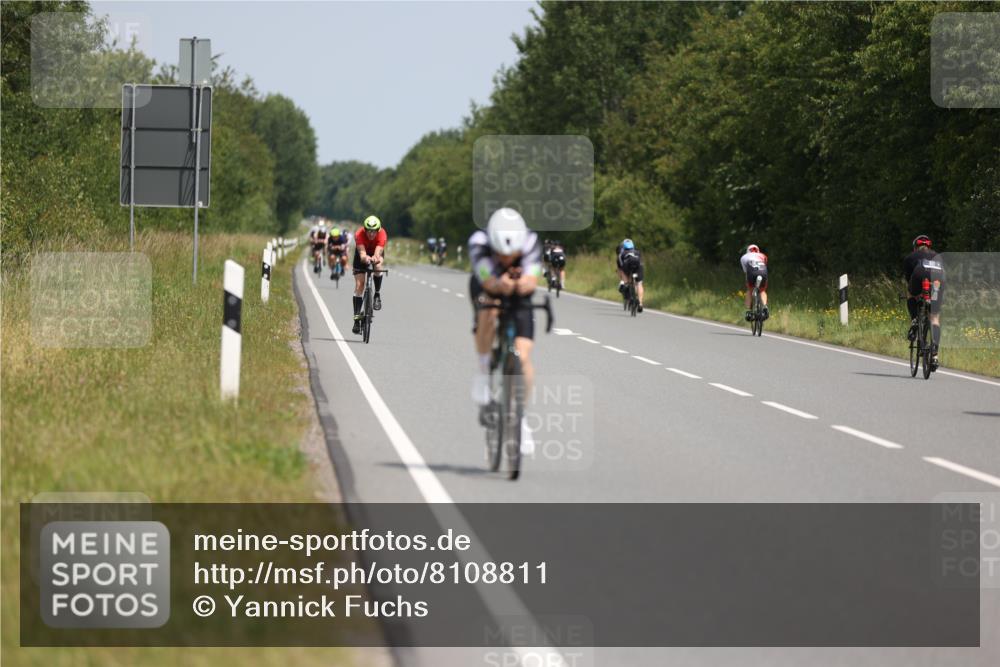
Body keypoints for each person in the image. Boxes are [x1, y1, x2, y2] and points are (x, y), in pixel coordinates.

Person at [468, 208, 543, 450]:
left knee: (523, 356)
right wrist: (501, 284)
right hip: (487, 286)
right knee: (487, 314)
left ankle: (520, 419)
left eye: (512, 255)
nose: (507, 259)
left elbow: (532, 279)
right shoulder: (478, 243)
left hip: (519, 292)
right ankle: (483, 371)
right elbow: (488, 280)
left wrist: (521, 284)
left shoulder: (530, 242)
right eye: (501, 255)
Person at [904, 234, 944, 368]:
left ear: (915, 247)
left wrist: (916, 293)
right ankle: (935, 356)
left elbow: (909, 279)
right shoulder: (938, 256)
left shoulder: (911, 257)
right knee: (935, 318)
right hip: (938, 278)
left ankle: (915, 318)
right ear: (929, 246)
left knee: (910, 293)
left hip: (919, 273)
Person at [352, 216, 387, 334]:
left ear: (378, 230)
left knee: (378, 266)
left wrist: (375, 258)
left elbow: (378, 252)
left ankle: (377, 294)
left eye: (374, 231)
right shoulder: (359, 234)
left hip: (375, 252)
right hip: (362, 255)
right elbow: (362, 253)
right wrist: (365, 258)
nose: (371, 234)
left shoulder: (382, 234)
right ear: (364, 229)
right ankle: (356, 319)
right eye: (369, 231)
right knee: (360, 285)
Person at [739, 244, 769, 321]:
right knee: (762, 290)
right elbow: (764, 267)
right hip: (763, 272)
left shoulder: (743, 257)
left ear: (747, 251)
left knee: (749, 290)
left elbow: (746, 272)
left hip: (752, 273)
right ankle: (765, 308)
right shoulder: (763, 255)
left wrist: (748, 284)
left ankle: (749, 311)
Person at [616, 238, 644, 312]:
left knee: (622, 272)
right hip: (638, 267)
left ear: (623, 247)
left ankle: (626, 284)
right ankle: (640, 303)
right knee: (639, 284)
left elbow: (620, 268)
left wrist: (623, 279)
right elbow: (641, 262)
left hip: (627, 267)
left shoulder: (621, 254)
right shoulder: (637, 252)